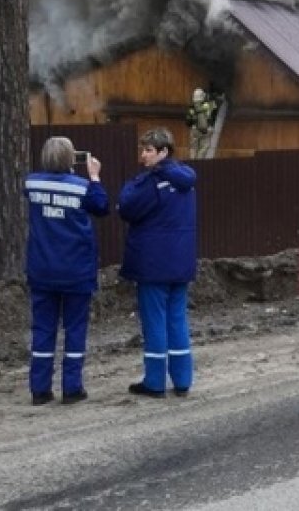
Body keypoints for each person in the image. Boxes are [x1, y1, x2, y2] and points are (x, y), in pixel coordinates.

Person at [23, 137, 109, 405]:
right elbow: (102, 206)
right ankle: (71, 388)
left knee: (43, 329)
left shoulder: (32, 183)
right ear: (71, 159)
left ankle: (40, 389)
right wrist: (94, 176)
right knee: (75, 329)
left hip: (42, 268)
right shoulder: (82, 188)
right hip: (76, 269)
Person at [119, 128, 198, 399]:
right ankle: (183, 380)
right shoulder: (186, 181)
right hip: (180, 262)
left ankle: (154, 382)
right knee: (177, 320)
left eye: (149, 150)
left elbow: (126, 208)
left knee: (154, 322)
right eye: (142, 150)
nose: (143, 156)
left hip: (153, 264)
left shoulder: (152, 182)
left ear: (164, 152)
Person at [185, 88, 222, 159]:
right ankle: (200, 162)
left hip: (194, 130)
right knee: (203, 149)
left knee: (193, 148)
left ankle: (193, 163)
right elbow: (216, 109)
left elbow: (188, 122)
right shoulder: (209, 105)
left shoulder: (191, 107)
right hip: (206, 130)